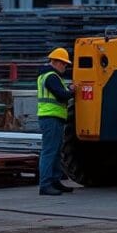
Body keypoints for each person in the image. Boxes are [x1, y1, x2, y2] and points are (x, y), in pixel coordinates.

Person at [38, 47, 77, 195]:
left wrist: (68, 89)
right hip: (51, 117)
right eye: (64, 64)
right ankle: (45, 184)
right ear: (55, 62)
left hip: (53, 117)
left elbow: (57, 92)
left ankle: (55, 181)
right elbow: (61, 95)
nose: (65, 67)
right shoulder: (51, 76)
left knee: (54, 152)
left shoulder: (49, 76)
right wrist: (72, 92)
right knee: (49, 151)